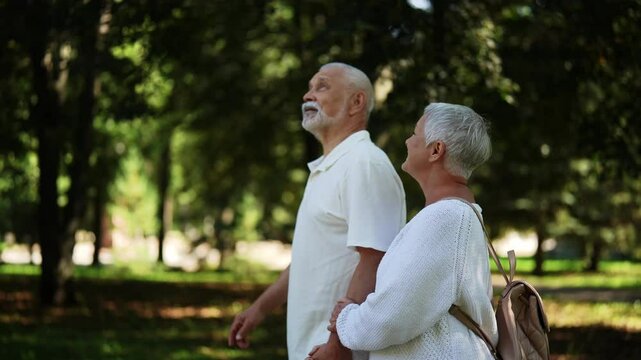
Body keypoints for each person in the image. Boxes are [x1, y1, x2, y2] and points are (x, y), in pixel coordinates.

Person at [228, 62, 406, 360]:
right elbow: (307, 259)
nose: (307, 95)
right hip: (311, 347)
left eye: (321, 86)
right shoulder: (327, 168)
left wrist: (339, 343)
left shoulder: (365, 163)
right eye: (309, 88)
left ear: (356, 102)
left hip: (338, 351)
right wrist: (260, 309)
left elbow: (375, 260)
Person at [321, 102, 498, 359]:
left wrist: (345, 318)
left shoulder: (445, 217)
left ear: (436, 150)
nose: (407, 141)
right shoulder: (455, 214)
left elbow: (392, 316)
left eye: (415, 134)